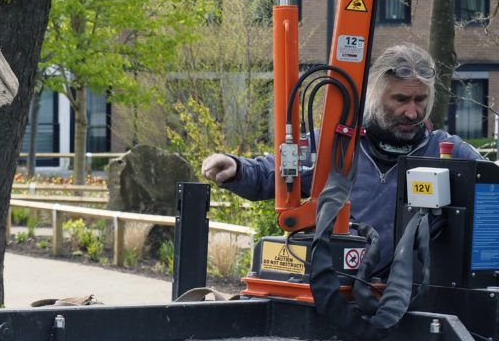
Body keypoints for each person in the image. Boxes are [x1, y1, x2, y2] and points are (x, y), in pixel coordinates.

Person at [201, 43, 481, 273]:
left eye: (420, 100)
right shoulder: (334, 145)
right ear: (374, 95)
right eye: (400, 100)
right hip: (341, 296)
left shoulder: (447, 153)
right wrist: (237, 168)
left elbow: (490, 190)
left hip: (416, 303)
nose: (412, 112)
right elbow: (273, 173)